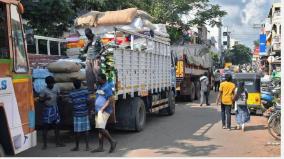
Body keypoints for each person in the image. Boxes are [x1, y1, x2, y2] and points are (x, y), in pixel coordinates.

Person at [92, 74, 117, 153]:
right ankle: (100, 147)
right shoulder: (100, 86)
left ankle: (112, 141)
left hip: (104, 111)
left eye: (98, 79)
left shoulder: (107, 87)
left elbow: (110, 99)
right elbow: (99, 96)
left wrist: (102, 109)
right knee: (100, 129)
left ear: (103, 79)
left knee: (100, 128)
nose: (97, 80)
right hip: (98, 110)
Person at [39, 76, 65, 149]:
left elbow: (59, 95)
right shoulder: (43, 90)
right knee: (45, 127)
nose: (51, 85)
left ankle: (57, 142)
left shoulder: (56, 87)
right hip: (47, 110)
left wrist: (60, 97)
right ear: (47, 83)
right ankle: (44, 144)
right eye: (50, 84)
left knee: (57, 126)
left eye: (52, 83)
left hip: (55, 108)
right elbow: (40, 100)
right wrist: (45, 98)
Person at [69, 79, 91, 151]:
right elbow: (89, 100)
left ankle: (77, 146)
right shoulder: (85, 91)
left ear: (74, 85)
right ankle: (87, 146)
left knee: (77, 131)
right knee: (86, 130)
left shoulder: (72, 93)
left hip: (76, 114)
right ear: (81, 84)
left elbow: (70, 102)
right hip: (84, 112)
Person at [82, 28, 103, 93]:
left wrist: (99, 54)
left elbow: (103, 47)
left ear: (91, 33)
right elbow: (84, 51)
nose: (87, 37)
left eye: (88, 35)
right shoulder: (87, 40)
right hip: (88, 59)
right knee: (89, 76)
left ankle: (99, 89)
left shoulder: (97, 38)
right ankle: (90, 90)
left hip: (96, 58)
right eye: (86, 36)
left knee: (97, 75)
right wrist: (87, 44)